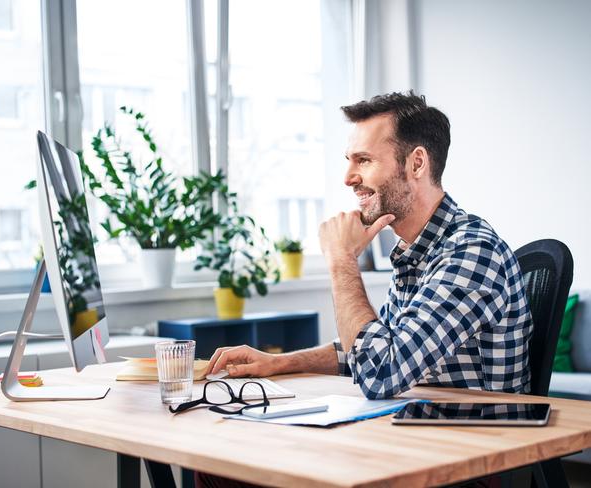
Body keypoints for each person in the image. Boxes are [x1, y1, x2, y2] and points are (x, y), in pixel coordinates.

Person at [204, 91, 533, 401]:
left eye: (363, 160)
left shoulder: (471, 253)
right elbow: (373, 352)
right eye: (349, 160)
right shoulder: (416, 252)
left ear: (416, 163)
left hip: (474, 446)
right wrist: (278, 363)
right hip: (421, 430)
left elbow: (381, 373)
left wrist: (341, 258)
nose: (348, 177)